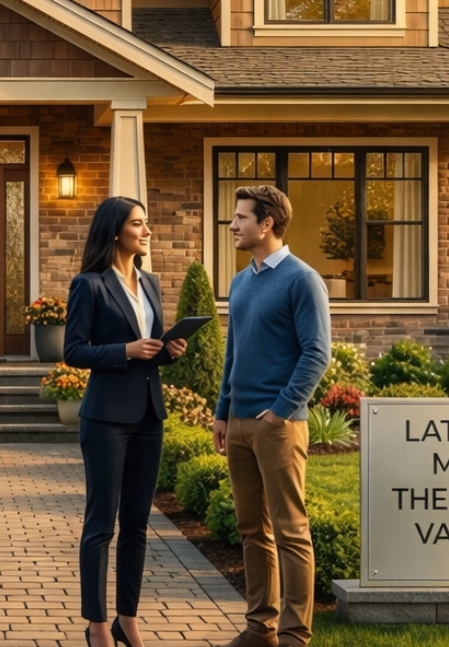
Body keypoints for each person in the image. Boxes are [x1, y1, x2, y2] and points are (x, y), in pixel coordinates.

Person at [63, 196, 189, 647]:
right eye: (139, 224)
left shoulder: (151, 282)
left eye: (147, 223)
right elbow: (73, 351)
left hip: (149, 414)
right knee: (102, 523)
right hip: (105, 418)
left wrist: (168, 351)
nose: (148, 231)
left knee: (137, 523)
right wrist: (124, 351)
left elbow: (151, 350)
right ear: (116, 231)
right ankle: (97, 625)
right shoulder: (89, 284)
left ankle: (127, 619)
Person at [212, 185, 331, 647]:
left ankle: (295, 635)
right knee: (251, 529)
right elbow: (234, 351)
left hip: (278, 425)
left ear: (267, 225)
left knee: (290, 531)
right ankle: (261, 628)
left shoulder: (302, 279)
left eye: (241, 218)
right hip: (239, 422)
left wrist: (280, 411)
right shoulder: (242, 281)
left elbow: (317, 354)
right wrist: (223, 410)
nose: (233, 225)